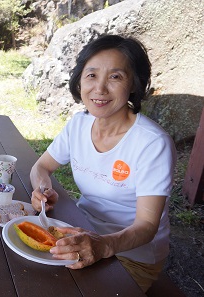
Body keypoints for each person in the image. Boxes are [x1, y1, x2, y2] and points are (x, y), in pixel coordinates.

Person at [30, 35, 175, 292]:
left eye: (115, 77)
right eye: (92, 75)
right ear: (80, 80)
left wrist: (103, 245)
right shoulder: (79, 124)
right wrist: (42, 190)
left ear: (133, 84)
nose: (100, 89)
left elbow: (146, 227)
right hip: (78, 230)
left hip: (131, 255)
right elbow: (41, 167)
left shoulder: (152, 143)